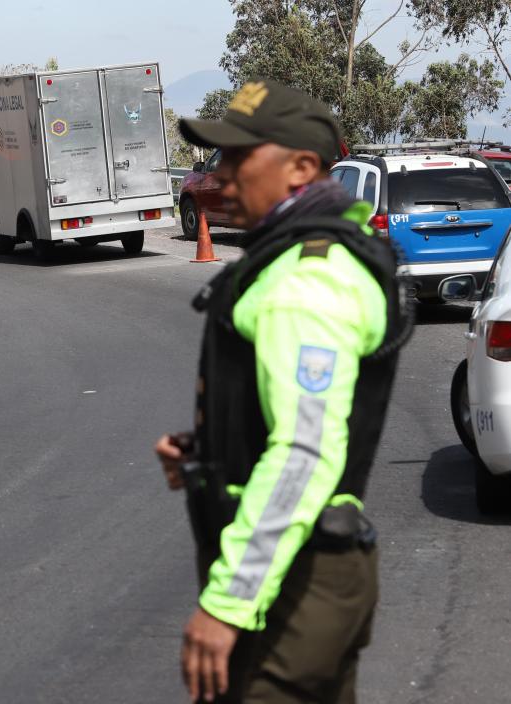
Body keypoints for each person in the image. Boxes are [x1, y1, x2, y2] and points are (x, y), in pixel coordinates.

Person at [153, 79, 410, 703]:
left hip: (293, 589)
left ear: (300, 168)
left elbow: (303, 451)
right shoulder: (294, 259)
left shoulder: (306, 283)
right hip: (303, 573)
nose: (223, 176)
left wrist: (227, 606)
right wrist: (213, 446)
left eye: (242, 158)